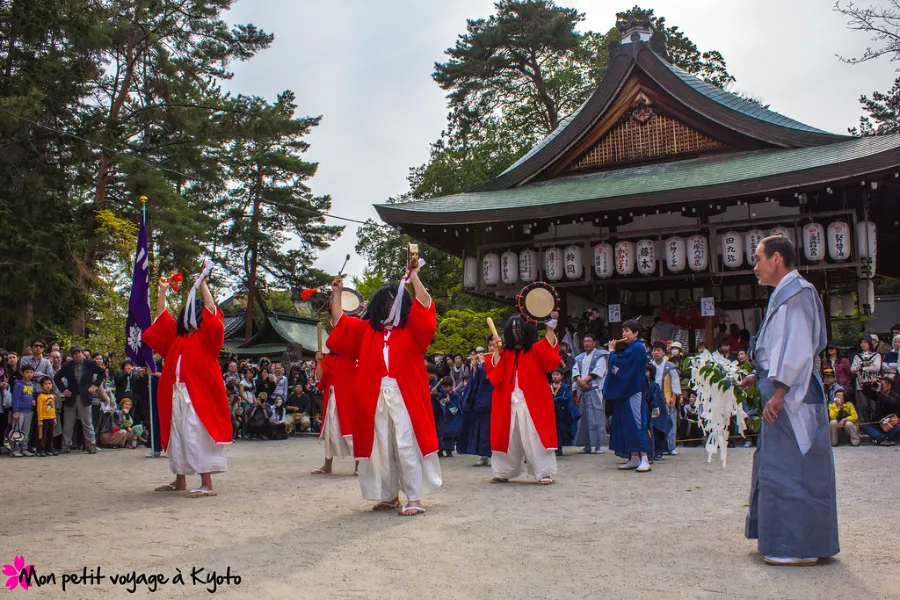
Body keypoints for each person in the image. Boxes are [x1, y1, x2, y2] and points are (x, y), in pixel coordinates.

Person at [740, 235, 838, 567]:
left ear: (777, 258)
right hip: (783, 387)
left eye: (758, 259)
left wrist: (779, 390)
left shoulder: (797, 293)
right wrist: (761, 375)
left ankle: (797, 547)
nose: (755, 267)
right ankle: (794, 542)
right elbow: (779, 347)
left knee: (792, 470)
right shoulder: (786, 294)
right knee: (780, 467)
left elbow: (797, 347)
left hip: (792, 395)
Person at [326, 267, 440, 517]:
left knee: (406, 444)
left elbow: (425, 307)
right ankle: (388, 496)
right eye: (386, 303)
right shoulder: (366, 330)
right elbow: (341, 325)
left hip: (405, 396)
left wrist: (414, 277)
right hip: (374, 396)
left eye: (395, 301)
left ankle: (413, 497)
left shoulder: (412, 329)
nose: (391, 307)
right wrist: (337, 295)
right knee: (382, 446)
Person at [144, 265, 231, 498]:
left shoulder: (207, 337)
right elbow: (162, 319)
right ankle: (179, 479)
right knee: (177, 433)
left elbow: (213, 312)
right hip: (176, 392)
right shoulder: (177, 336)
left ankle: (207, 483)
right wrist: (162, 292)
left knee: (196, 433)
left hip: (197, 394)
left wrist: (202, 282)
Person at [486, 313, 561, 485]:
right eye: (512, 330)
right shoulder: (504, 353)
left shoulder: (535, 349)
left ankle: (543, 472)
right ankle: (502, 471)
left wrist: (549, 328)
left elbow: (551, 356)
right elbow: (495, 378)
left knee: (535, 436)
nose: (516, 333)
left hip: (532, 399)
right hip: (508, 399)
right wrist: (497, 351)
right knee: (507, 437)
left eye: (519, 329)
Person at [605, 320, 651, 472]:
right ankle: (634, 457)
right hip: (627, 389)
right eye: (623, 331)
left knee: (637, 422)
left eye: (627, 331)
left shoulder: (637, 347)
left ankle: (644, 457)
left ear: (636, 333)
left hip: (633, 388)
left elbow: (621, 364)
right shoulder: (631, 347)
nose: (624, 334)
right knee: (627, 422)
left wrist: (612, 351)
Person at [312, 350, 358, 476]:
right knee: (330, 432)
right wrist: (319, 361)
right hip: (332, 397)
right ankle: (327, 465)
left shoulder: (352, 355)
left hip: (348, 398)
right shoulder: (328, 358)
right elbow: (320, 378)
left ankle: (360, 465)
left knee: (352, 432)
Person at [54, 346, 105, 454]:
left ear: (82, 354)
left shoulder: (90, 364)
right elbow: (57, 377)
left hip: (85, 396)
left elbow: (102, 373)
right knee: (68, 423)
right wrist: (64, 389)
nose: (77, 355)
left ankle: (91, 445)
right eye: (75, 354)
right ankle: (65, 445)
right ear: (72, 356)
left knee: (87, 422)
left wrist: (95, 386)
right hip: (71, 395)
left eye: (79, 353)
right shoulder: (67, 366)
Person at [572, 333, 609, 454]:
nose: (587, 344)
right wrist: (579, 381)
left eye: (589, 341)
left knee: (596, 417)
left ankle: (598, 445)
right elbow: (575, 370)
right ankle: (586, 445)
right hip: (583, 390)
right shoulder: (579, 357)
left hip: (594, 389)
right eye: (585, 341)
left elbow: (599, 370)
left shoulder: (600, 355)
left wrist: (585, 380)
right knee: (583, 419)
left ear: (594, 343)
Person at [462, 341, 494, 467]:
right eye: (490, 345)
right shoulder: (484, 362)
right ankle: (483, 455)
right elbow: (476, 382)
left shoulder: (498, 359)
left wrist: (482, 364)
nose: (491, 348)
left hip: (492, 398)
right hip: (482, 400)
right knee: (481, 429)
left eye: (493, 345)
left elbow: (490, 377)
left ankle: (494, 455)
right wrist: (475, 367)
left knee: (491, 429)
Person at [650, 341, 682, 456]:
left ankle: (671, 446)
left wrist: (673, 397)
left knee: (670, 421)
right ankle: (656, 447)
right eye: (654, 350)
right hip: (653, 396)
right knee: (654, 422)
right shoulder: (649, 365)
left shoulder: (670, 367)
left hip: (666, 396)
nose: (656, 352)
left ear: (664, 352)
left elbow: (675, 384)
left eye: (658, 350)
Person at [850, 336, 882, 422]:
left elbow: (877, 368)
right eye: (861, 343)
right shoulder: (857, 356)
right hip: (861, 384)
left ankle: (874, 423)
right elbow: (852, 369)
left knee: (873, 405)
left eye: (865, 342)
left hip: (873, 383)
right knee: (863, 405)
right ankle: (864, 424)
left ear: (869, 343)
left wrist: (862, 368)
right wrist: (861, 365)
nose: (863, 344)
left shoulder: (876, 355)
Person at [550, 368, 579, 456]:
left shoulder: (565, 387)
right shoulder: (548, 386)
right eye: (553, 375)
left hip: (561, 412)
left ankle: (559, 448)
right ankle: (552, 447)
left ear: (562, 376)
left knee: (560, 430)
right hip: (551, 412)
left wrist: (556, 400)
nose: (555, 377)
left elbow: (567, 398)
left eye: (557, 375)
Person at [645, 364, 670, 461]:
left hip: (653, 411)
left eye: (647, 371)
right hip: (644, 410)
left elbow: (657, 400)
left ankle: (655, 452)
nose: (646, 373)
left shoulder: (654, 385)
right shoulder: (641, 384)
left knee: (655, 431)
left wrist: (655, 413)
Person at [10, 364, 37, 457]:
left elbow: (32, 396)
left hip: (29, 411)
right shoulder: (18, 385)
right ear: (22, 373)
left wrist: (33, 401)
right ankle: (15, 449)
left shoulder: (32, 385)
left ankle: (24, 448)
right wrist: (15, 411)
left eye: (31, 372)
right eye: (27, 372)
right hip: (20, 411)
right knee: (17, 430)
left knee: (26, 431)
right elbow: (16, 398)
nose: (29, 374)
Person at [436, 376, 463, 457]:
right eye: (443, 386)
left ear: (451, 387)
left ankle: (449, 450)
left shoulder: (454, 396)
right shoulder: (439, 395)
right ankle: (440, 450)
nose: (445, 388)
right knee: (440, 434)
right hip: (442, 418)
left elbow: (455, 410)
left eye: (446, 386)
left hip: (450, 419)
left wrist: (449, 402)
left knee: (449, 436)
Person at [34, 377, 58, 457]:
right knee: (42, 435)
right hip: (43, 418)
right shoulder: (40, 397)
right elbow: (39, 409)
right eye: (46, 384)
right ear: (42, 386)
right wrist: (40, 419)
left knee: (50, 435)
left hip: (50, 418)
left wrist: (54, 418)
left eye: (49, 384)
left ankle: (49, 449)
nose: (48, 386)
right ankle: (40, 450)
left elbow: (53, 408)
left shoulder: (52, 396)